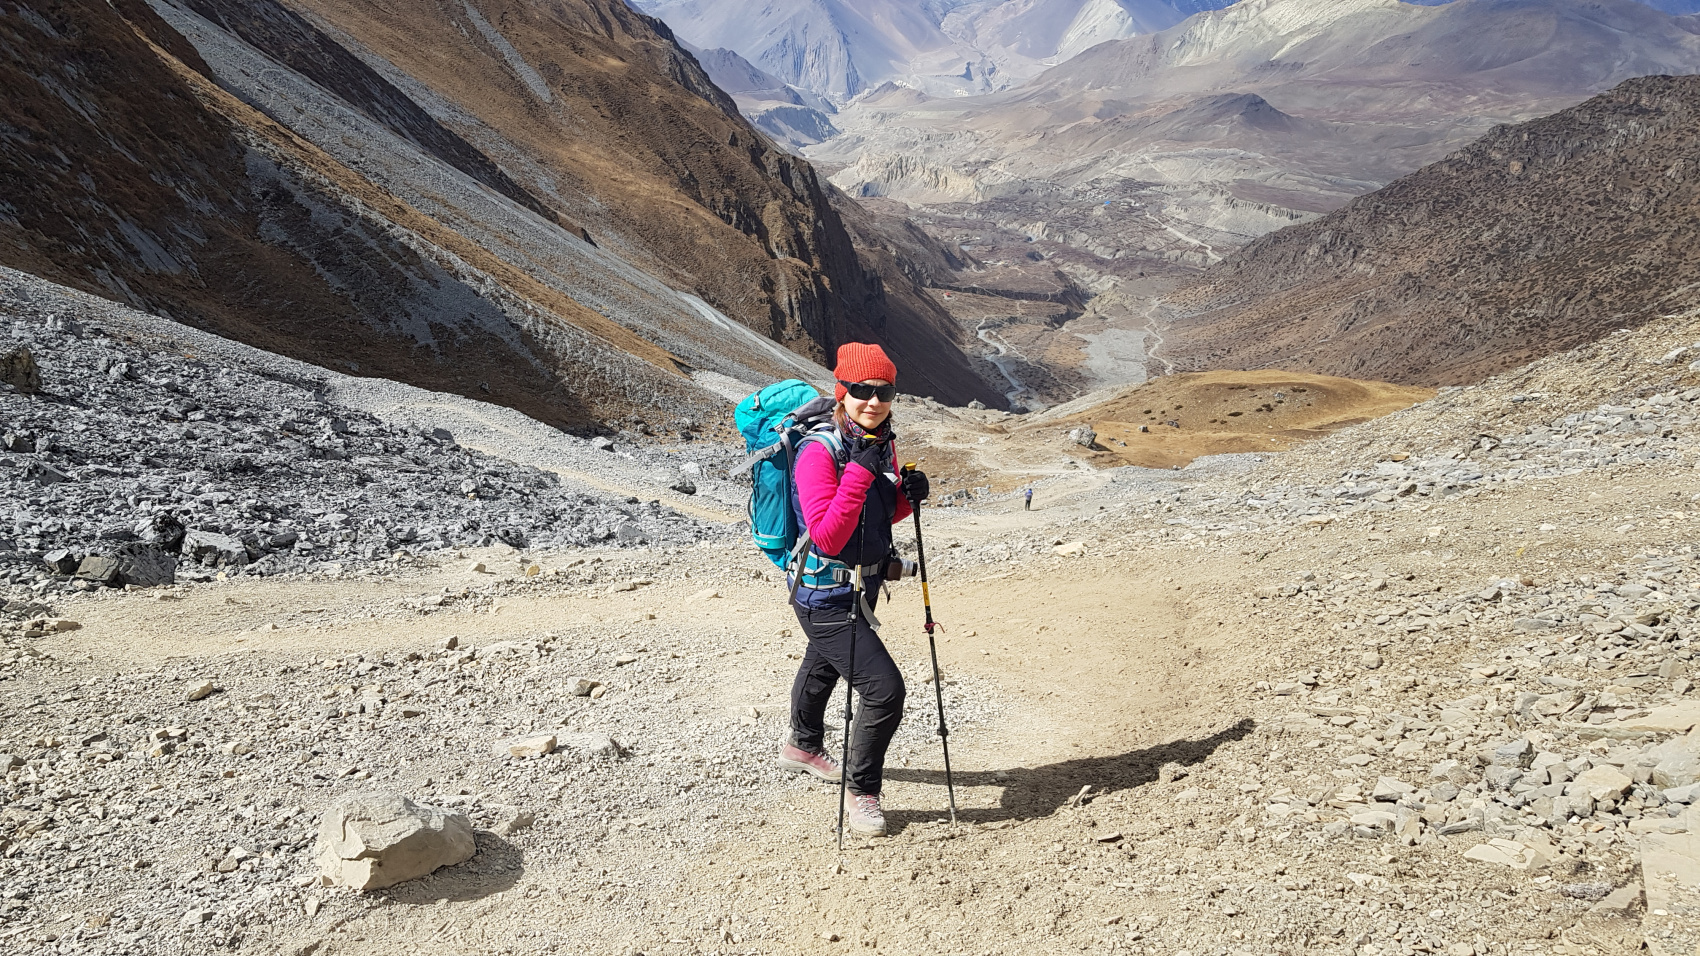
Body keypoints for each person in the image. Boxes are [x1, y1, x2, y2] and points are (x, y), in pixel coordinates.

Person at [775, 343, 929, 837]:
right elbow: (827, 535)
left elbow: (876, 515)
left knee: (823, 662)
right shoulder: (819, 452)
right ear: (842, 391)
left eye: (883, 390)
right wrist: (861, 471)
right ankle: (862, 792)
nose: (873, 400)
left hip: (856, 588)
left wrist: (907, 498)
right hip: (823, 595)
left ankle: (802, 745)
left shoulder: (879, 441)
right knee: (884, 691)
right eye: (861, 390)